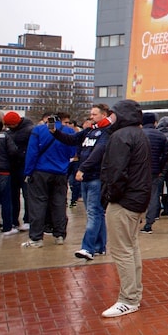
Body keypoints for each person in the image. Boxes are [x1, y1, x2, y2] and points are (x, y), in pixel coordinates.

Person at [98, 100, 152, 318]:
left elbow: (116, 173)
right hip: (137, 199)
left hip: (125, 201)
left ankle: (128, 298)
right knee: (131, 248)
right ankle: (133, 294)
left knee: (122, 250)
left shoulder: (120, 137)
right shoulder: (139, 135)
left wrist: (111, 196)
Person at [50, 105, 112, 259]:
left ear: (104, 115)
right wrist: (55, 132)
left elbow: (99, 151)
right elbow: (72, 139)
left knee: (94, 213)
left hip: (96, 177)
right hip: (86, 177)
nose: (91, 116)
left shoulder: (107, 132)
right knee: (96, 213)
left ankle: (88, 248)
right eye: (91, 114)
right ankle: (99, 246)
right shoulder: (89, 130)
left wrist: (82, 168)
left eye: (95, 114)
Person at [20, 113, 77, 248]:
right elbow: (71, 153)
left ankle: (36, 238)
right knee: (59, 203)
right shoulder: (69, 131)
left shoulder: (38, 130)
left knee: (38, 204)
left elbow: (32, 152)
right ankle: (59, 235)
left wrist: (28, 172)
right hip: (61, 172)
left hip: (40, 171)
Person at [4, 112, 34, 231]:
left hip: (24, 166)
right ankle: (14, 221)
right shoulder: (9, 132)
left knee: (27, 195)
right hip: (13, 167)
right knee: (13, 195)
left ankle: (27, 220)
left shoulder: (30, 130)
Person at [141, 112, 168, 235]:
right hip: (154, 170)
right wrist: (160, 168)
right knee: (153, 196)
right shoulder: (160, 136)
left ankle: (136, 220)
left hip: (138, 171)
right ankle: (149, 223)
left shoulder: (138, 134)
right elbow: (165, 155)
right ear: (155, 122)